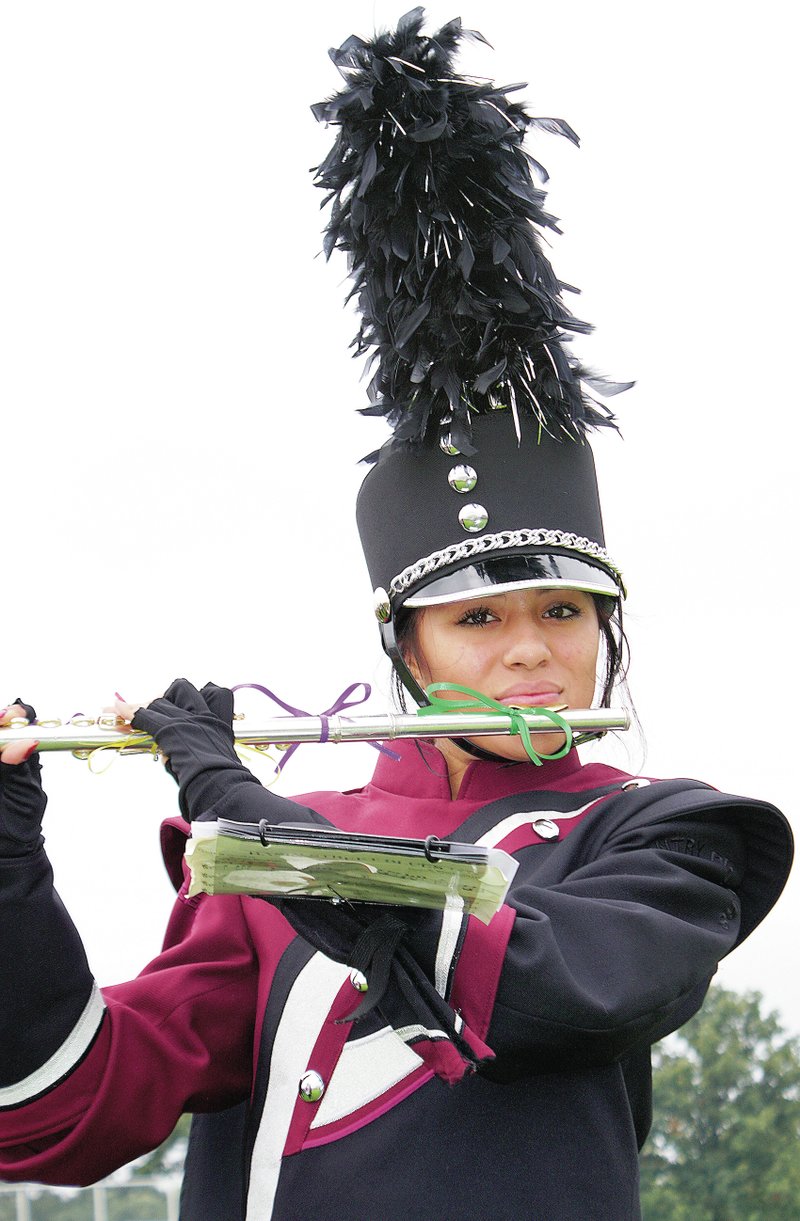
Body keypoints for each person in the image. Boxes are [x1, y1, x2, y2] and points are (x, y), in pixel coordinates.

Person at [0, 13, 794, 1220]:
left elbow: (540, 990)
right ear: (406, 651)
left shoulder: (669, 840)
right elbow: (63, 1112)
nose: (530, 649)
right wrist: (7, 858)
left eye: (563, 610)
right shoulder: (265, 864)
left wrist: (234, 801)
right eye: (476, 624)